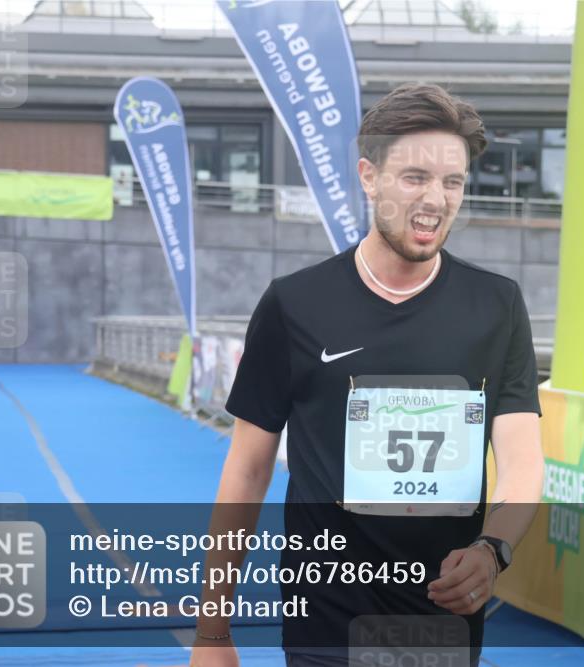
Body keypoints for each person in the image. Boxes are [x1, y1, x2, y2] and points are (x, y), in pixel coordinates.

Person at [190, 83, 544, 667]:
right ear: (369, 176)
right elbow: (247, 470)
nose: (436, 198)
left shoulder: (497, 306)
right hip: (324, 623)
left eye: (452, 181)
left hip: (442, 629)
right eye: (415, 177)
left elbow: (523, 460)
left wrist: (492, 549)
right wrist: (212, 631)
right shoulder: (294, 305)